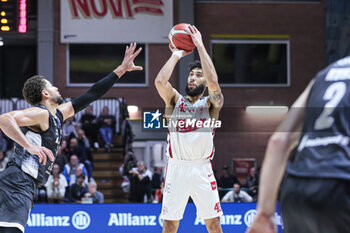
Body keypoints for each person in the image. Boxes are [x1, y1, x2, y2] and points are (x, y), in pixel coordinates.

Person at [0, 43, 142, 233]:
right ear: (45, 94)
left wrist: (121, 70)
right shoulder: (40, 114)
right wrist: (28, 145)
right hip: (16, 183)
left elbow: (91, 94)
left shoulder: (57, 115)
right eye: (52, 86)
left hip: (22, 184)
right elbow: (4, 119)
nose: (57, 87)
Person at [247, 56, 350, 233]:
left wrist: (264, 212)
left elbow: (279, 140)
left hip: (297, 189)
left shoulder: (323, 75)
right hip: (340, 184)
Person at [155, 25, 224, 233]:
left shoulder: (211, 105)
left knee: (213, 224)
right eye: (191, 74)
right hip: (177, 168)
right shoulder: (175, 101)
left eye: (198, 75)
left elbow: (213, 81)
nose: (193, 77)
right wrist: (177, 53)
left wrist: (200, 46)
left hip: (202, 168)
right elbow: (159, 81)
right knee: (169, 225)